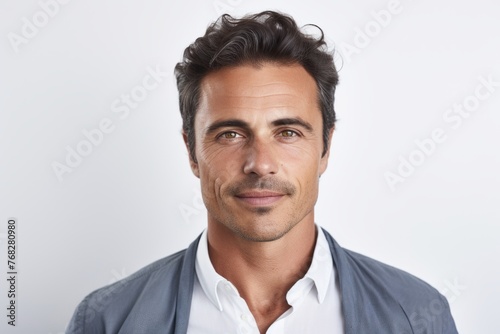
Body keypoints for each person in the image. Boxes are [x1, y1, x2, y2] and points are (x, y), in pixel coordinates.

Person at [67, 11, 458, 334]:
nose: (260, 163)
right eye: (230, 134)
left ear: (325, 148)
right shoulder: (108, 321)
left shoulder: (417, 315)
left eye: (288, 132)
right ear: (191, 151)